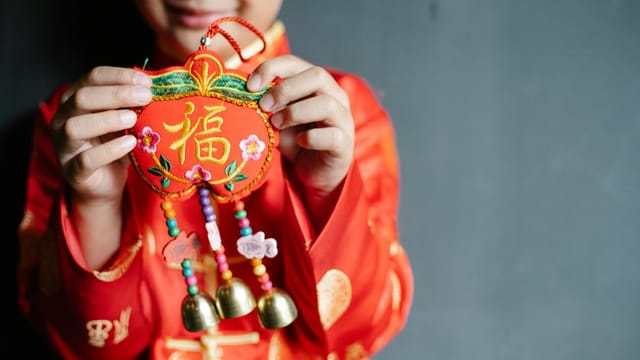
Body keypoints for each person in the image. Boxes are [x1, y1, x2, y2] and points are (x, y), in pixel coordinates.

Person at [17, 0, 414, 359]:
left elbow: (362, 329)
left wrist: (327, 191)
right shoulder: (80, 124)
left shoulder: (341, 114)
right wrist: (94, 205)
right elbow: (83, 344)